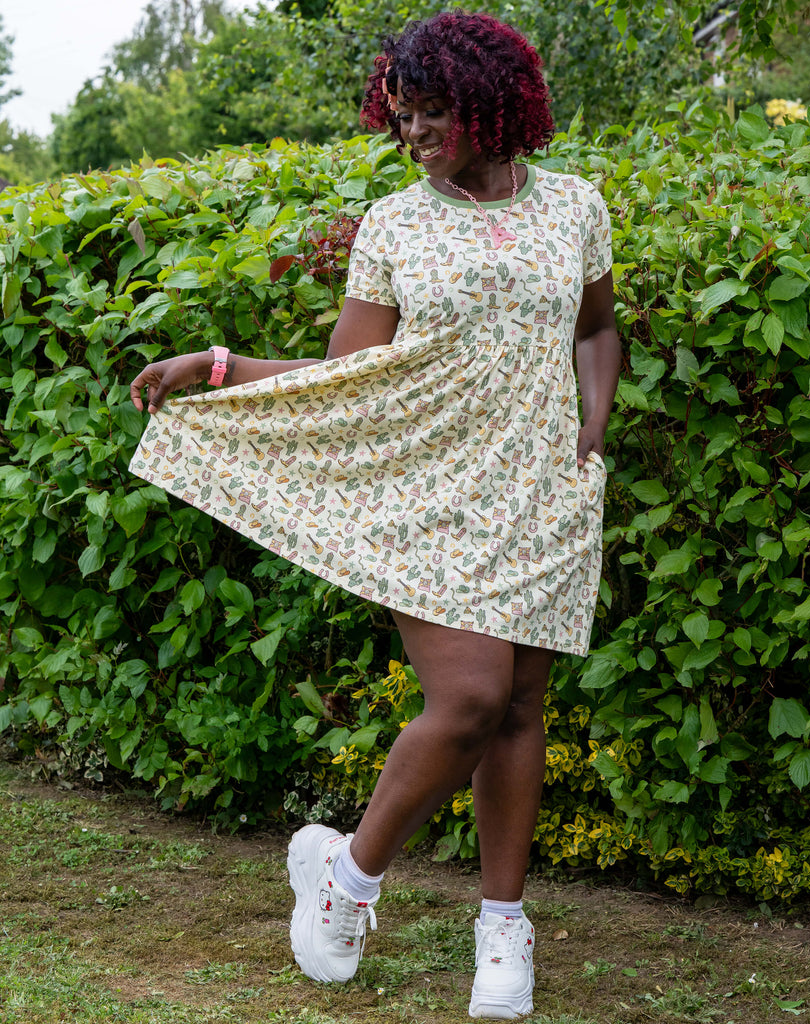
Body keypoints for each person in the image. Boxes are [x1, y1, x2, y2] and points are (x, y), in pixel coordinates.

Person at [129, 10, 620, 1019]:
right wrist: (217, 365)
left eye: (433, 111)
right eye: (402, 116)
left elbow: (596, 328)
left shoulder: (575, 205)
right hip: (424, 487)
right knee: (472, 698)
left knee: (521, 707)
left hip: (543, 489)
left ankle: (502, 929)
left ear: (491, 102)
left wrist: (593, 420)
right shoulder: (396, 223)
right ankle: (348, 881)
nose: (415, 133)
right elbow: (345, 372)